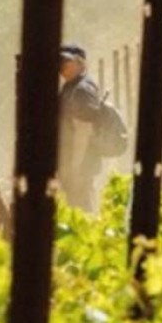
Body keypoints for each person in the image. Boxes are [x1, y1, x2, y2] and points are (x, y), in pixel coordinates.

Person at [58, 43, 104, 211]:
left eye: (66, 61)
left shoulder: (81, 90)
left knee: (80, 214)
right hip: (76, 162)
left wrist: (75, 168)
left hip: (79, 164)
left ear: (80, 63)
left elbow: (83, 132)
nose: (61, 66)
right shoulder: (71, 87)